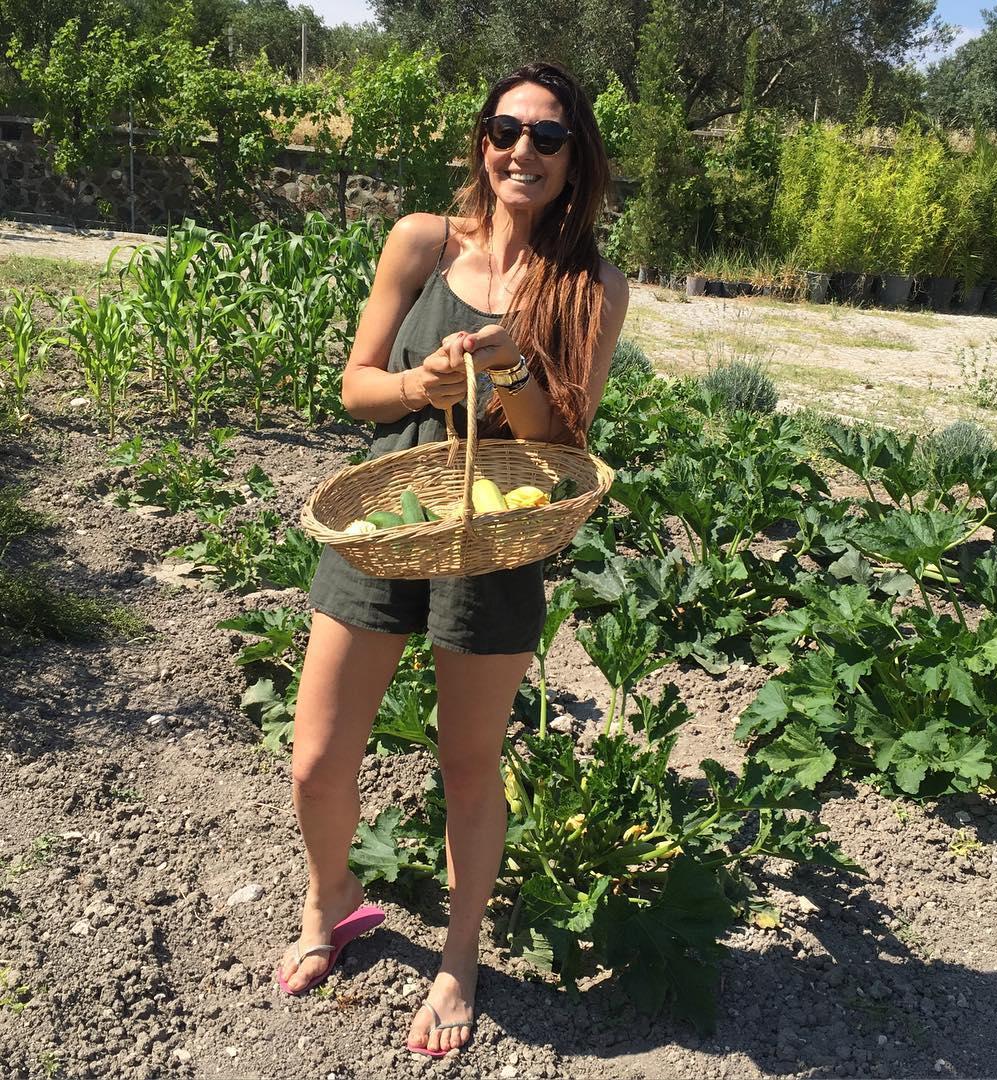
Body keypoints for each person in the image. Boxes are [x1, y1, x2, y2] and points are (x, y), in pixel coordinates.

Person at [274, 60, 629, 1057]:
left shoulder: (592, 286)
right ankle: (331, 896)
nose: (524, 150)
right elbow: (355, 389)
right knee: (315, 761)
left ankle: (458, 957)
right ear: (484, 140)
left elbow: (563, 444)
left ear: (575, 159)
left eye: (548, 137)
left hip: (495, 537)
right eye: (507, 130)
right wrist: (418, 387)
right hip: (385, 517)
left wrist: (510, 370)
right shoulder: (422, 242)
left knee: (469, 766)